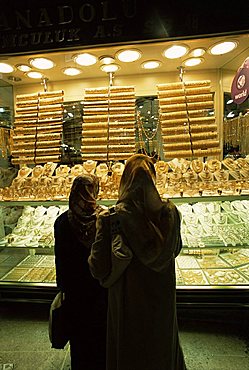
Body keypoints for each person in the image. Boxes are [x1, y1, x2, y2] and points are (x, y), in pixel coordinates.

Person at [88, 154, 186, 370]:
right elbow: (176, 250)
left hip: (127, 303)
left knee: (129, 353)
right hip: (161, 298)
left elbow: (98, 268)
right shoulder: (171, 214)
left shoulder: (111, 218)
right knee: (161, 348)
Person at [54, 174, 108, 370]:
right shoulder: (104, 217)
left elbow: (59, 256)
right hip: (99, 287)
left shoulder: (62, 221)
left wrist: (62, 286)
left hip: (75, 290)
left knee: (79, 336)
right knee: (100, 332)